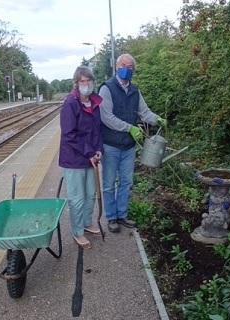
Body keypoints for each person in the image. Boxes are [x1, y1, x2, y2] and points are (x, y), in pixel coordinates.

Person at [98, 53, 166, 233]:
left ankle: (122, 215)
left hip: (128, 147)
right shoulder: (106, 88)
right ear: (116, 67)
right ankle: (111, 217)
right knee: (108, 183)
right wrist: (129, 128)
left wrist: (157, 119)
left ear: (133, 70)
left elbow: (145, 113)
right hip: (111, 145)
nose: (126, 69)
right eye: (123, 65)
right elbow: (106, 117)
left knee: (126, 182)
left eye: (130, 67)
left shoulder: (135, 91)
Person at [59, 66, 103, 249]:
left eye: (89, 81)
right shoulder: (70, 103)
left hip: (91, 157)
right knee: (77, 197)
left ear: (93, 82)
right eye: (82, 81)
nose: (86, 84)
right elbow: (69, 135)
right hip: (74, 159)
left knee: (90, 195)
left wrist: (99, 149)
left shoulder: (94, 102)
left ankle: (87, 222)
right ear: (76, 83)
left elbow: (98, 129)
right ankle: (77, 231)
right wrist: (89, 152)